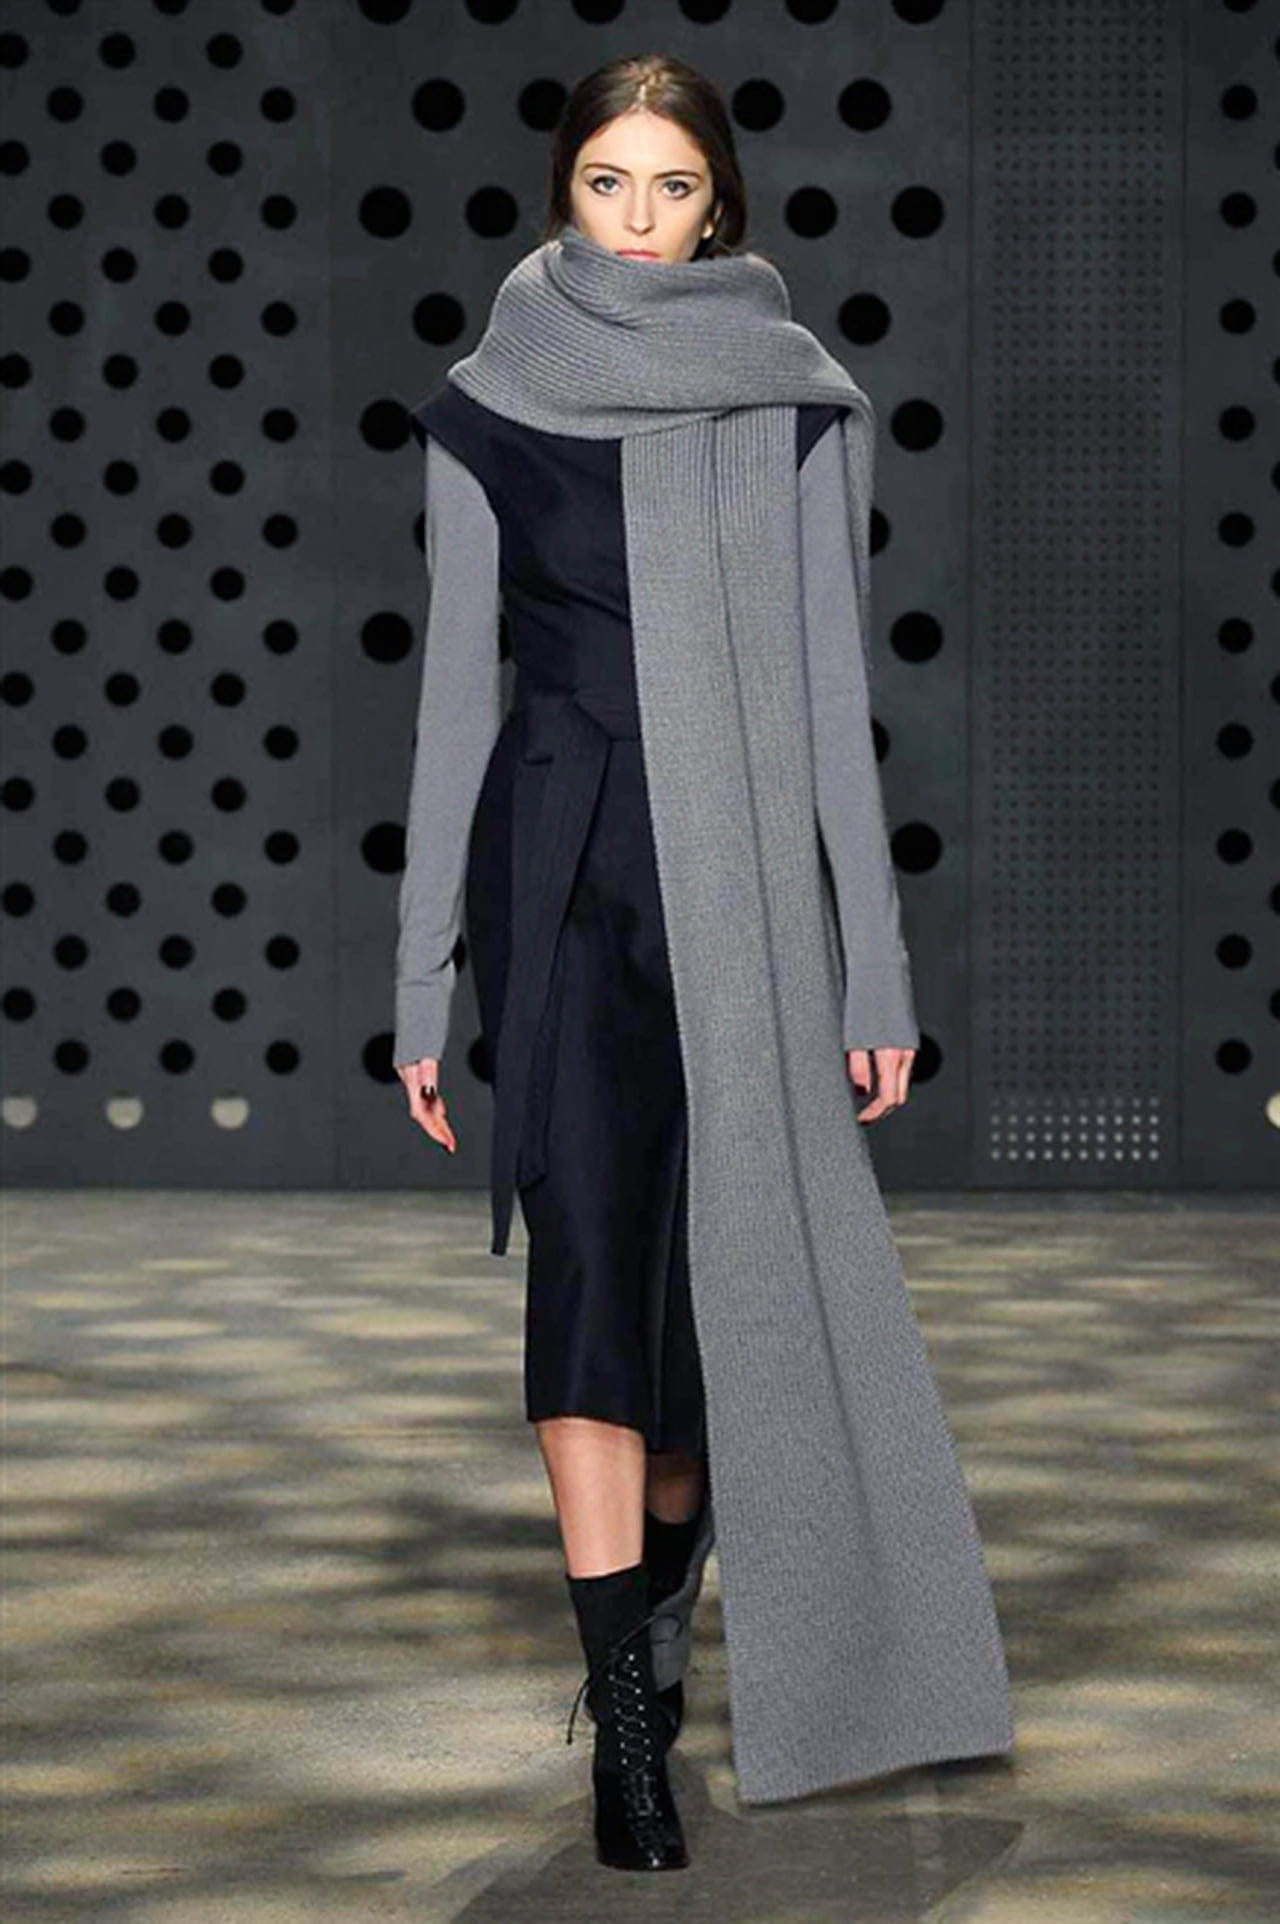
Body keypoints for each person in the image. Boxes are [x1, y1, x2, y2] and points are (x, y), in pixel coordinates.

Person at [393, 53, 1014, 1873]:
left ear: (719, 201)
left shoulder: (789, 398)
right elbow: (453, 710)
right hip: (560, 891)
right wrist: (419, 979)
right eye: (609, 182)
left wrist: (874, 976)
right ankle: (628, 1743)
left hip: (736, 894)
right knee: (588, 1290)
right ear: (564, 191)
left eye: (673, 187)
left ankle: (659, 1616)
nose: (640, 219)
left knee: (700, 1338)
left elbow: (833, 710)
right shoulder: (490, 406)